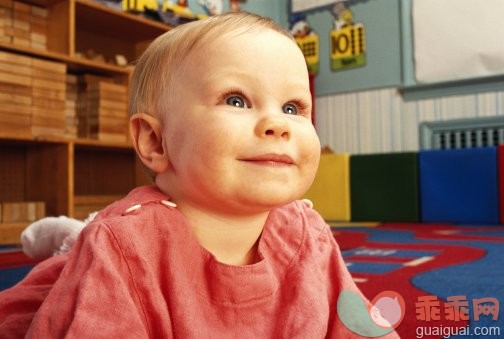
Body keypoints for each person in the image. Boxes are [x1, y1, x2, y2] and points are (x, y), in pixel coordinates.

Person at [0, 12, 399, 338]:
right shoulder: (124, 250)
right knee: (73, 260)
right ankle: (71, 240)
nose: (278, 125)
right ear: (156, 142)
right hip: (107, 244)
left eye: (293, 108)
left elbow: (359, 324)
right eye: (237, 100)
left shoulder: (308, 233)